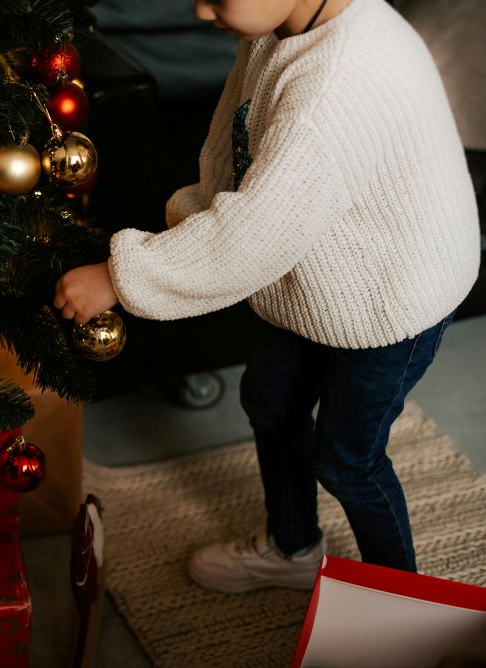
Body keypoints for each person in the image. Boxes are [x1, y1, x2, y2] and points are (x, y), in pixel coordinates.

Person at [53, 0, 480, 593]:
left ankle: (405, 601)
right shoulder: (284, 24)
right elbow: (238, 144)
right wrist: (189, 217)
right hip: (322, 273)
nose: (202, 10)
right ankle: (294, 546)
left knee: (348, 459)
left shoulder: (334, 87)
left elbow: (249, 238)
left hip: (394, 296)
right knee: (271, 399)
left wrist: (120, 276)